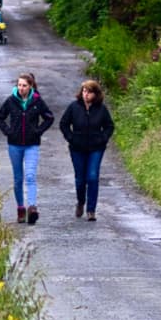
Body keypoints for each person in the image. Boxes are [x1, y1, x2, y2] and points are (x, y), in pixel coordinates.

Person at [0, 72, 53, 224]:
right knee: (18, 178)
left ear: (31, 86)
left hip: (32, 144)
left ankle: (32, 207)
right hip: (14, 144)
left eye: (24, 85)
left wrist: (38, 131)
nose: (21, 88)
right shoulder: (11, 101)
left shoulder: (37, 101)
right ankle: (21, 208)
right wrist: (8, 131)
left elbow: (49, 117)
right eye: (19, 85)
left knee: (31, 176)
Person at [59, 79, 115, 221]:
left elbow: (109, 126)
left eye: (89, 92)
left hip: (96, 147)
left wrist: (103, 138)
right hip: (77, 147)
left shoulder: (101, 109)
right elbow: (64, 124)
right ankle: (81, 201)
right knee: (80, 179)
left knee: (92, 176)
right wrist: (71, 138)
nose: (86, 94)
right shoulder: (74, 107)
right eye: (84, 91)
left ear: (96, 94)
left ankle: (91, 210)